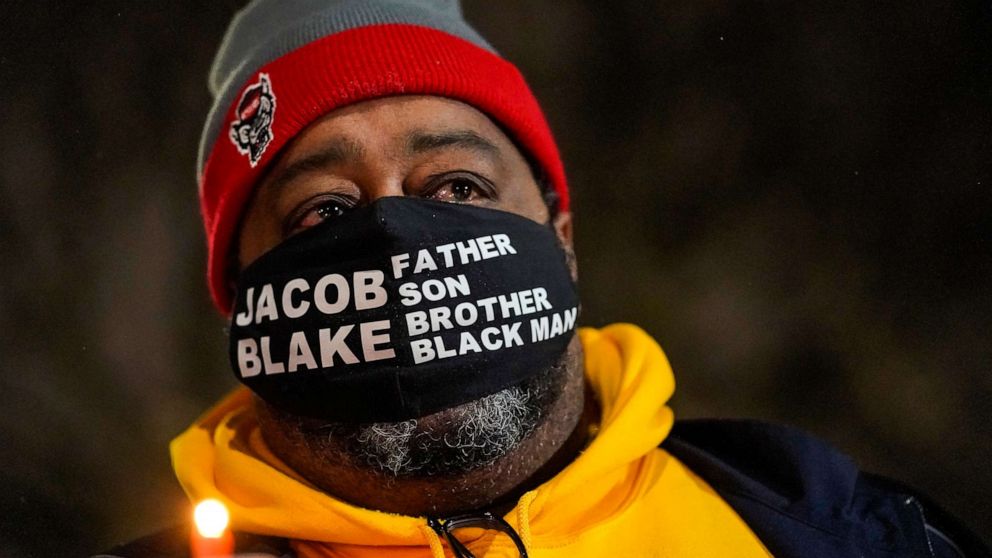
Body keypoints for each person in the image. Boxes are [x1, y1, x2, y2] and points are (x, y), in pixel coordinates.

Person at [98, 1, 989, 557]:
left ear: (562, 240)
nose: (399, 236)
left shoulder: (844, 536)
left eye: (459, 186)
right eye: (323, 212)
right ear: (241, 299)